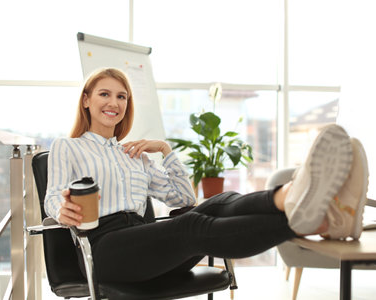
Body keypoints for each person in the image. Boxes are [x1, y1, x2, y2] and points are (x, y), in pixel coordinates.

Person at [45, 67, 369, 283]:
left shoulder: (134, 155)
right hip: (104, 249)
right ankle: (317, 216)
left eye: (121, 96)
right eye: (104, 94)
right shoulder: (68, 147)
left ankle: (300, 201)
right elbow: (52, 198)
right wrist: (61, 209)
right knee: (190, 225)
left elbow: (183, 199)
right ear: (86, 100)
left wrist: (165, 151)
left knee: (219, 202)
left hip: (147, 243)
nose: (114, 102)